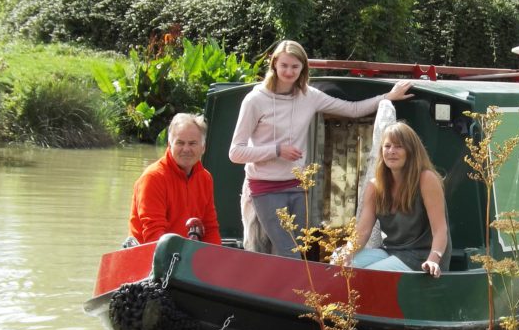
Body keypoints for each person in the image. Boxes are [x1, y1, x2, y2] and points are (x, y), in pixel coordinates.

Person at [229, 40, 413, 257]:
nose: (289, 71)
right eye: (284, 65)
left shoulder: (309, 96)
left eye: (295, 67)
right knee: (290, 253)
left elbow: (352, 110)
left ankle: (294, 290)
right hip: (265, 187)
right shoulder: (255, 100)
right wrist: (277, 150)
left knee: (299, 251)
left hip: (297, 185)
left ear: (303, 69)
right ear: (274, 64)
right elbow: (236, 152)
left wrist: (388, 97)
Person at [338, 122, 450, 278]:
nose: (391, 151)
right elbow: (362, 231)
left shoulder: (426, 179)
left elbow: (440, 230)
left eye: (398, 146)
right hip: (390, 251)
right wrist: (347, 252)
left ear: (411, 151)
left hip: (422, 257)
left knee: (370, 275)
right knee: (337, 263)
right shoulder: (374, 186)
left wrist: (433, 260)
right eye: (387, 146)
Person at [128, 112, 221, 245]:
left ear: (203, 148)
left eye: (193, 143)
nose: (186, 149)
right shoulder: (153, 178)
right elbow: (153, 235)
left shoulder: (205, 178)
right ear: (169, 145)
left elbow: (210, 228)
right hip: (152, 256)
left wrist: (217, 262)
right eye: (180, 143)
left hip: (185, 255)